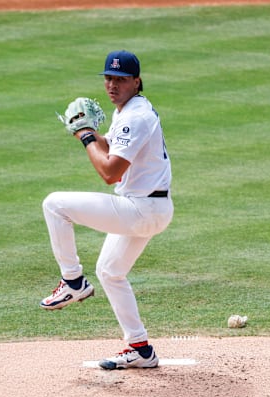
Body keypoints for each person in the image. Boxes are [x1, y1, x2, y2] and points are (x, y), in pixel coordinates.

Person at [40, 50, 173, 370]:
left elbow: (110, 172)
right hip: (150, 207)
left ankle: (72, 282)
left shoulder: (135, 116)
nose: (112, 85)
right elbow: (111, 148)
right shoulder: (129, 110)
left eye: (121, 79)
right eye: (108, 78)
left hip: (140, 209)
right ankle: (140, 348)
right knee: (110, 272)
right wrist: (90, 132)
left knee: (55, 204)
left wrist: (84, 134)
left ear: (136, 82)